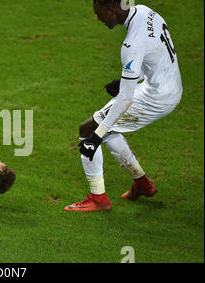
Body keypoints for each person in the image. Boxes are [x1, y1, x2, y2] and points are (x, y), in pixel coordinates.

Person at [65, 0, 182, 211]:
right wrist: (127, 82)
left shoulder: (131, 44)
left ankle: (98, 198)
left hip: (156, 97)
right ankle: (142, 184)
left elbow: (125, 99)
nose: (99, 19)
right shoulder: (146, 12)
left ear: (112, 10)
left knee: (89, 129)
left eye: (100, 14)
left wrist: (96, 137)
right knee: (107, 124)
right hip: (166, 85)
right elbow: (155, 54)